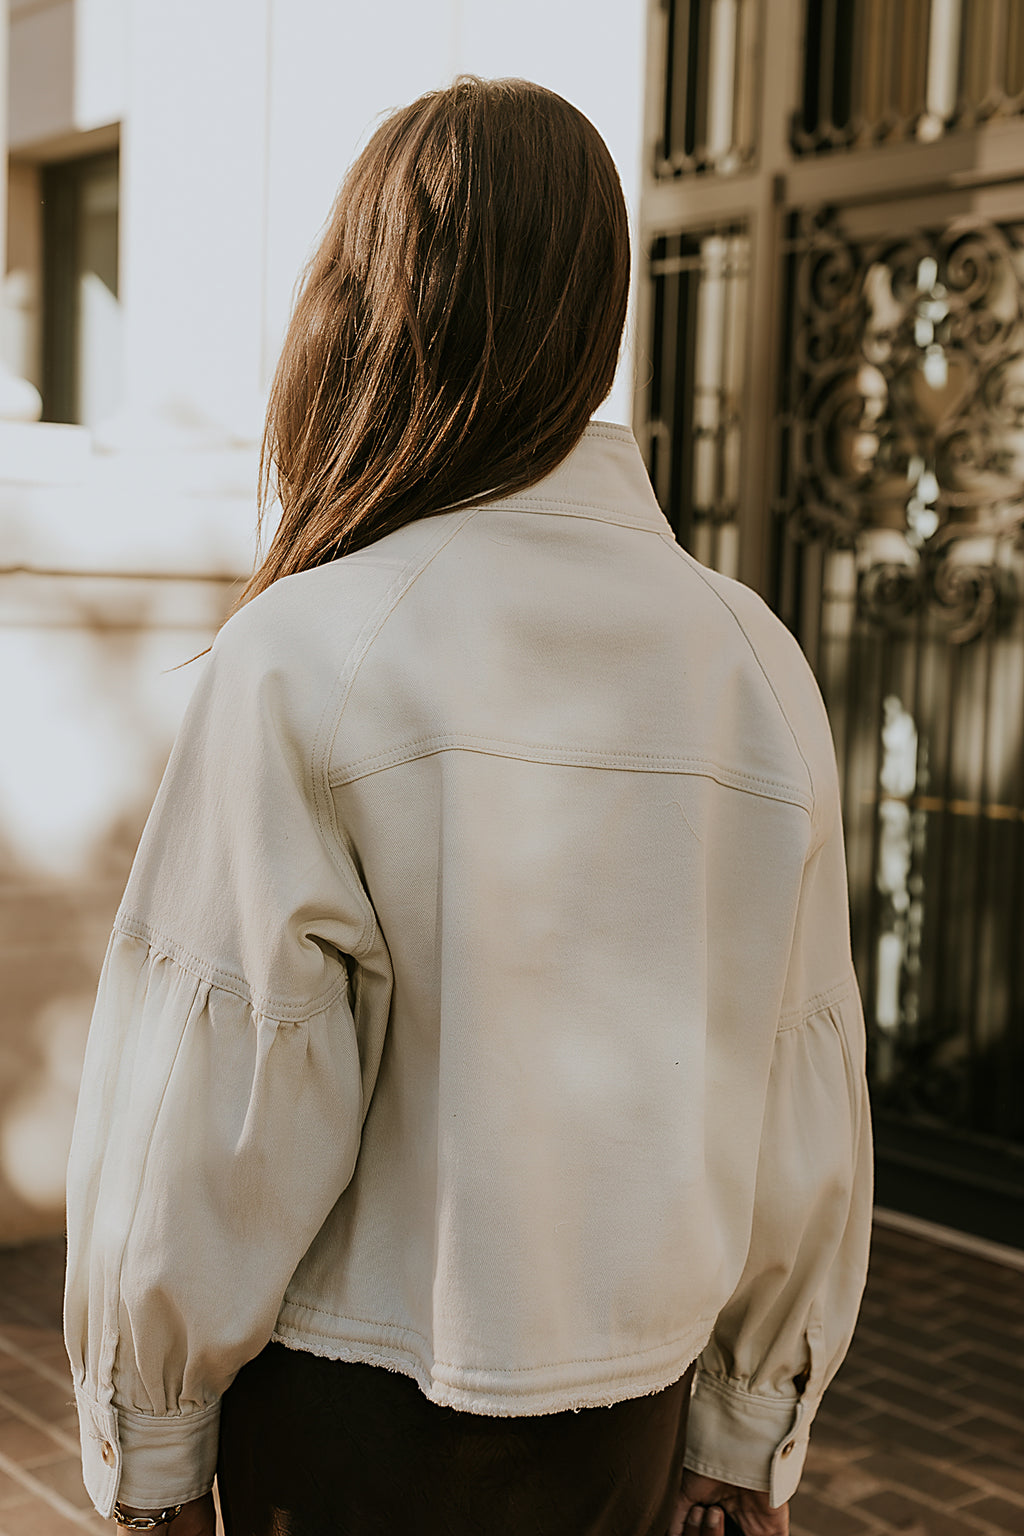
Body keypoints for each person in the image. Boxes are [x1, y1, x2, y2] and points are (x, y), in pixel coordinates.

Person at [64, 76, 872, 1536]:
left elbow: (222, 1084)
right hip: (633, 1426)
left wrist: (154, 1440)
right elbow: (802, 1064)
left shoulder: (311, 651)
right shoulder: (752, 653)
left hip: (351, 1426)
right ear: (596, 312)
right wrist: (751, 1422)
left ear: (373, 304)